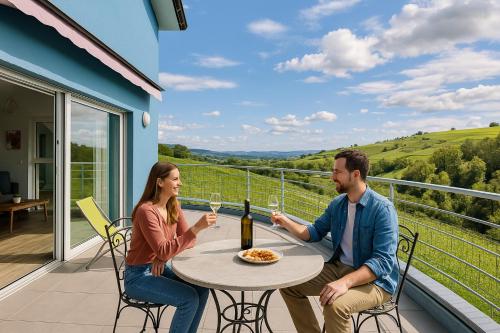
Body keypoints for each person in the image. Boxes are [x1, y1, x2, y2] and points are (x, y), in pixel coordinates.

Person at [272, 150, 398, 333]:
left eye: (337, 172)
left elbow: (382, 262)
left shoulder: (382, 209)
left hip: (376, 282)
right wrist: (285, 221)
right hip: (339, 269)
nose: (332, 177)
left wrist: (345, 282)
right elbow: (314, 232)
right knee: (289, 285)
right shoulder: (338, 204)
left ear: (355, 174)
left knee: (335, 306)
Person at [124, 161, 216, 333]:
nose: (179, 183)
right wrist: (196, 228)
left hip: (157, 267)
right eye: (175, 179)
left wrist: (161, 255)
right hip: (137, 276)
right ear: (160, 182)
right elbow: (174, 244)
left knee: (202, 289)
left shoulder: (173, 204)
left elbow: (189, 241)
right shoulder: (146, 211)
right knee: (189, 299)